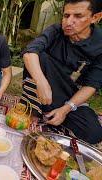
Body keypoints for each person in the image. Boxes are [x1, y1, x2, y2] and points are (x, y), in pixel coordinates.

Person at [21, 0, 102, 144]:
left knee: (94, 133)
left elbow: (91, 85)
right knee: (38, 57)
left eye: (78, 16)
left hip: (70, 96)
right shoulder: (56, 30)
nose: (69, 22)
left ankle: (51, 115)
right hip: (43, 91)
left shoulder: (100, 45)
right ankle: (36, 110)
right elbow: (29, 53)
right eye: (66, 15)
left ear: (95, 17)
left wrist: (65, 109)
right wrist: (41, 82)